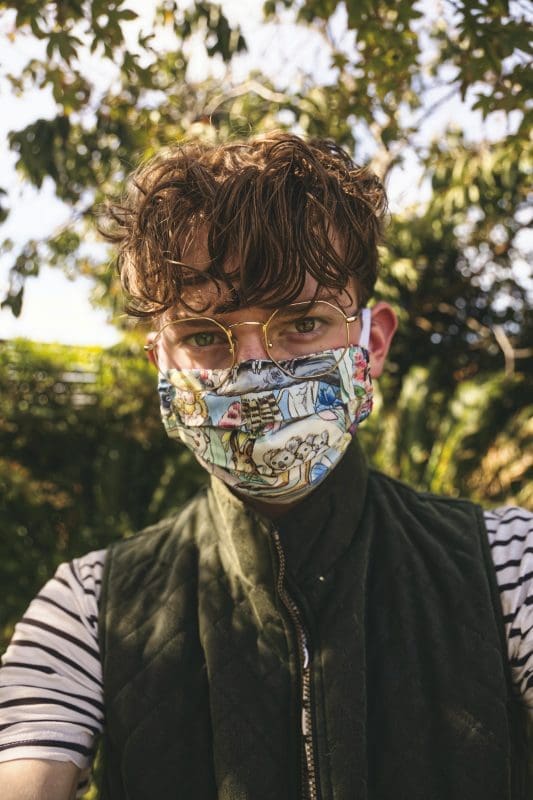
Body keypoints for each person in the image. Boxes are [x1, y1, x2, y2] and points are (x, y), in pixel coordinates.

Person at [0, 132, 531, 800]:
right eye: (203, 336)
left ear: (372, 342)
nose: (255, 368)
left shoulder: (506, 567)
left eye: (301, 322)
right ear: (159, 365)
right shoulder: (87, 610)